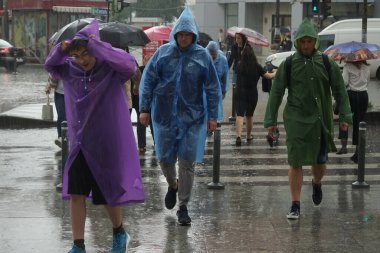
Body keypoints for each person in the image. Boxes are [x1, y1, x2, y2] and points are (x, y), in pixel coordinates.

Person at [44, 20, 144, 253]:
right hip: (80, 142)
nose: (83, 60)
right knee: (76, 192)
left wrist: (97, 47)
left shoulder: (111, 70)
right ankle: (78, 245)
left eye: (86, 54)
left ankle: (119, 231)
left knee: (108, 193)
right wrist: (62, 49)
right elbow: (50, 66)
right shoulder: (71, 71)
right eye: (77, 56)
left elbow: (130, 66)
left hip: (107, 141)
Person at [139, 6, 221, 225]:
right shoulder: (163, 54)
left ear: (193, 36)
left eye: (188, 35)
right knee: (164, 159)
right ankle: (173, 185)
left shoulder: (202, 56)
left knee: (187, 163)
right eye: (181, 34)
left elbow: (212, 87)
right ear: (175, 34)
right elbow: (148, 81)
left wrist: (213, 116)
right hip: (164, 116)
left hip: (192, 119)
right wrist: (144, 108)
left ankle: (183, 206)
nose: (184, 38)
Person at [263, 18, 352, 220]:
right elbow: (276, 93)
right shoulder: (288, 64)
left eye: (309, 41)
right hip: (296, 119)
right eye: (302, 42)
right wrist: (271, 122)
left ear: (315, 42)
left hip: (320, 120)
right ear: (297, 42)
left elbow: (340, 90)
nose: (305, 45)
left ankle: (316, 182)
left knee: (319, 164)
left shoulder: (326, 62)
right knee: (295, 161)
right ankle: (295, 204)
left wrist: (345, 116)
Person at [235, 45, 276, 146]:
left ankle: (239, 136)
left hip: (240, 92)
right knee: (249, 116)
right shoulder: (257, 66)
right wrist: (277, 72)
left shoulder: (239, 65)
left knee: (240, 115)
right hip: (252, 93)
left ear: (243, 54)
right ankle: (248, 136)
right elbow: (268, 76)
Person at [341, 60, 370, 163]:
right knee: (360, 124)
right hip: (364, 96)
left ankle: (344, 147)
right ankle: (358, 151)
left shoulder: (347, 66)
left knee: (346, 119)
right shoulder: (366, 67)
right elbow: (368, 81)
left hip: (352, 96)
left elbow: (344, 82)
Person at [205, 41, 229, 141]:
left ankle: (212, 128)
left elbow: (225, 77)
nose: (213, 58)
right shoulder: (203, 58)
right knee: (205, 110)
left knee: (215, 110)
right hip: (204, 89)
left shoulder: (223, 60)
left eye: (214, 56)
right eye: (211, 56)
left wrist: (224, 91)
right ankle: (206, 128)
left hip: (217, 89)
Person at [228, 33, 248, 119]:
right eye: (236, 38)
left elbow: (251, 58)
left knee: (244, 91)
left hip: (245, 71)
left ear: (243, 38)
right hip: (236, 70)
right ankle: (235, 112)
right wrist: (226, 69)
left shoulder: (247, 46)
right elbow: (231, 58)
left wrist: (244, 55)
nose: (237, 40)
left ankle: (244, 110)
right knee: (235, 91)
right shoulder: (234, 47)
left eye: (239, 38)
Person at [45, 74, 66, 151]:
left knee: (69, 116)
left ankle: (68, 137)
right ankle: (60, 137)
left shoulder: (73, 64)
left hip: (70, 92)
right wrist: (48, 86)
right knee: (61, 115)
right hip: (58, 93)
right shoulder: (57, 63)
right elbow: (51, 73)